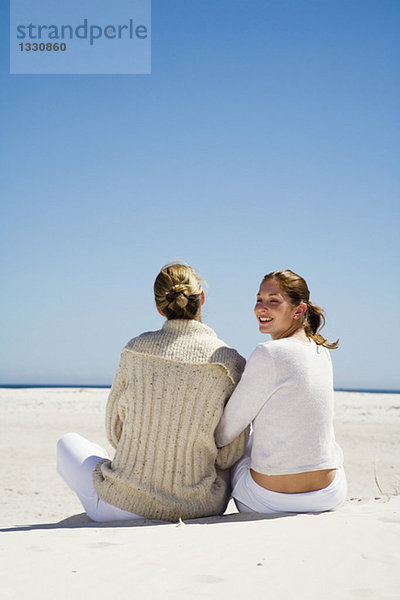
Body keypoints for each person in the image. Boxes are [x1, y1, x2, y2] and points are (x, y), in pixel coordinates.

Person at [57, 263, 248, 522]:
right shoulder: (230, 363)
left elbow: (115, 434)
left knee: (67, 443)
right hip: (199, 508)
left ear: (159, 307)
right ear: (201, 298)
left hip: (121, 506)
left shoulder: (135, 350)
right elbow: (229, 455)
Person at [215, 269, 346, 514]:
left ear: (299, 310)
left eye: (273, 301)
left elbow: (225, 432)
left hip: (268, 501)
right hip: (329, 495)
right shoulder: (321, 351)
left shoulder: (269, 353)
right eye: (258, 299)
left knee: (241, 448)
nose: (261, 308)